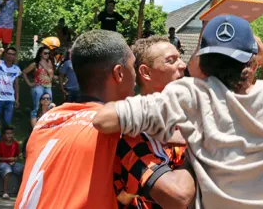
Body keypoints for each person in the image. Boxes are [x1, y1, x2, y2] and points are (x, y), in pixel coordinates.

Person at [93, 15, 263, 208]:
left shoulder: (188, 95)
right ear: (253, 64)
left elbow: (103, 120)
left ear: (202, 64)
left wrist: (190, 149)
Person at [16, 30, 195, 209]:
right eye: (133, 67)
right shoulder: (119, 132)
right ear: (119, 73)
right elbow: (177, 196)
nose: (136, 77)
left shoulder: (48, 120)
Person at [114, 36, 190, 208]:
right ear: (146, 73)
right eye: (171, 61)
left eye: (180, 57)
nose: (183, 65)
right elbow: (177, 197)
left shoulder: (187, 116)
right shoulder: (130, 133)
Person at [22, 46, 55, 119]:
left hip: (48, 86)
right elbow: (24, 72)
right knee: (37, 106)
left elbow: (51, 74)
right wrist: (29, 83)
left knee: (49, 105)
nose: (47, 55)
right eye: (45, 53)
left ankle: (46, 121)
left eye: (48, 53)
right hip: (38, 86)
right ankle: (35, 122)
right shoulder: (35, 64)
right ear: (40, 54)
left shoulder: (49, 62)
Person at [0, 47, 21, 127]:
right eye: (9, 53)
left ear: (15, 56)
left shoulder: (16, 69)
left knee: (7, 124)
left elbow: (16, 85)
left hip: (10, 99)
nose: (10, 56)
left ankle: (3, 139)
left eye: (13, 54)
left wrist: (17, 99)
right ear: (5, 54)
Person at [0, 126, 23, 199]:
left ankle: (21, 191)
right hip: (2, 163)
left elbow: (17, 156)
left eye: (11, 133)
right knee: (8, 170)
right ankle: (5, 192)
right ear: (4, 135)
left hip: (12, 163)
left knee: (24, 169)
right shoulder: (1, 144)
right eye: (7, 133)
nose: (9, 135)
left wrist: (14, 160)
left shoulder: (15, 144)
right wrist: (8, 159)